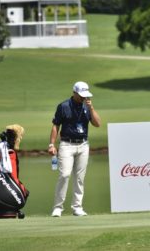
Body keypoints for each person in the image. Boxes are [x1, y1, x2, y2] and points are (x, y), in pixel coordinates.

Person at [48, 81, 101, 217]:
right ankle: (58, 207)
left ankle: (77, 207)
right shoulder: (63, 106)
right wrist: (52, 144)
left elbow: (97, 124)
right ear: (75, 93)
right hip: (67, 144)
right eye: (82, 95)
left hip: (83, 145)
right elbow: (56, 125)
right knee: (64, 175)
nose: (85, 98)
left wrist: (91, 108)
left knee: (79, 177)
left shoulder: (87, 107)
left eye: (86, 95)